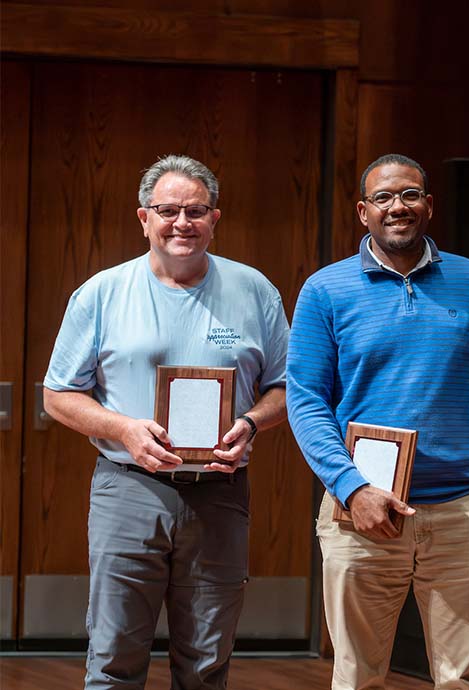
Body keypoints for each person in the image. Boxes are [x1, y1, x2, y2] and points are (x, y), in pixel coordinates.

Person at [43, 154, 289, 689]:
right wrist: (124, 428)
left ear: (215, 218)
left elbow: (286, 389)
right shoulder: (102, 293)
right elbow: (58, 394)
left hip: (220, 492)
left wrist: (250, 422)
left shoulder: (255, 292)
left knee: (206, 663)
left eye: (196, 210)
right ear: (144, 218)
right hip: (128, 488)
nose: (183, 222)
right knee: (113, 658)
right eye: (168, 210)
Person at [287, 153, 469, 690]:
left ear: (429, 206)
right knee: (357, 678)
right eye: (384, 198)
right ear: (363, 212)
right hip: (361, 513)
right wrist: (350, 487)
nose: (398, 207)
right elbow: (306, 400)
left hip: (463, 511)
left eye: (410, 195)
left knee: (465, 679)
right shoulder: (325, 289)